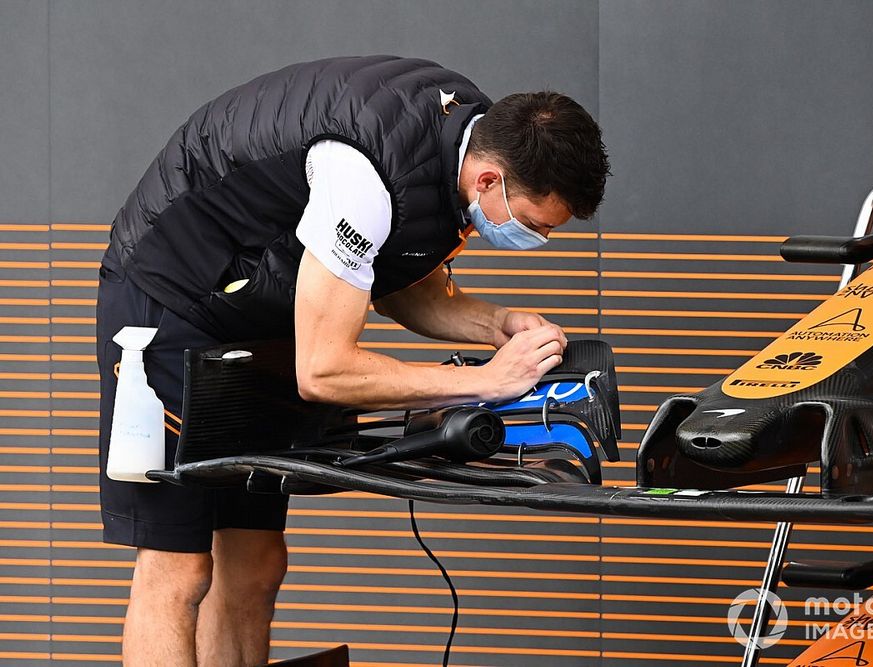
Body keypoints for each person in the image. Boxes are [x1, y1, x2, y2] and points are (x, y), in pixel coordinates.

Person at [97, 55, 609, 666]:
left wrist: (494, 324)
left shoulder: (465, 134)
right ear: (490, 181)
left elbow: (394, 279)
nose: (537, 241)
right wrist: (482, 383)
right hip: (169, 301)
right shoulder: (364, 174)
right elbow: (324, 370)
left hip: (259, 310)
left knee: (256, 565)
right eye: (532, 226)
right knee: (177, 568)